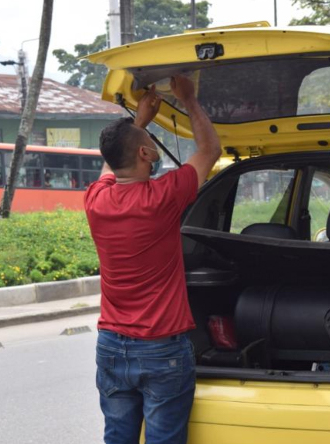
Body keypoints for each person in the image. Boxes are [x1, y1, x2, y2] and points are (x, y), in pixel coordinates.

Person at [84, 76, 221, 444]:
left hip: (111, 345)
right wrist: (189, 99)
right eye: (149, 140)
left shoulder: (96, 200)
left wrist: (139, 122)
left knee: (118, 438)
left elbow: (112, 166)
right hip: (161, 349)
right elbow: (210, 149)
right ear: (145, 154)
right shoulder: (162, 197)